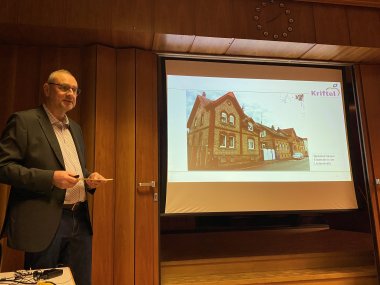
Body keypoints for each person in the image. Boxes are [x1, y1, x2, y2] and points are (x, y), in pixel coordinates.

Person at [0, 69, 106, 285]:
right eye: (64, 87)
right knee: (44, 282)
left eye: (75, 90)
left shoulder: (75, 128)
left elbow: (73, 168)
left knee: (79, 281)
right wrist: (50, 178)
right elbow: (4, 167)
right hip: (45, 220)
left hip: (80, 219)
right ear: (47, 89)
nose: (71, 94)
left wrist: (89, 178)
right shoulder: (24, 121)